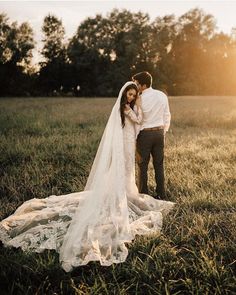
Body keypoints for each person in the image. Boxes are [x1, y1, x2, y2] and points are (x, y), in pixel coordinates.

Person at [0, 82, 174, 272]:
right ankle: (120, 194)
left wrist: (137, 105)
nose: (132, 97)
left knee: (127, 171)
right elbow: (139, 120)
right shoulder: (125, 108)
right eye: (130, 94)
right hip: (125, 143)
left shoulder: (128, 106)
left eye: (134, 95)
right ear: (125, 95)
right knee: (124, 170)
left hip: (130, 142)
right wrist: (138, 104)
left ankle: (124, 192)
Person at [132, 72, 171, 199]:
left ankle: (143, 195)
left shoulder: (139, 98)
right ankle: (161, 194)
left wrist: (135, 136)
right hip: (159, 133)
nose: (135, 86)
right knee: (159, 165)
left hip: (145, 134)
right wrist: (163, 131)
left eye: (137, 84)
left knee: (142, 166)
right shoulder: (161, 95)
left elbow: (138, 119)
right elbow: (167, 115)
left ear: (143, 85)